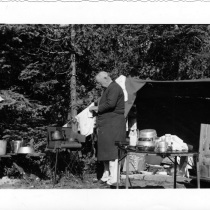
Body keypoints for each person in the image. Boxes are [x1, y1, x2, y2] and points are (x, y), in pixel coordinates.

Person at [89, 71, 126, 186]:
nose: (100, 85)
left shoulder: (114, 87)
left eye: (100, 83)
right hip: (106, 125)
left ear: (106, 78)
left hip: (113, 124)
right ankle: (106, 177)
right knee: (105, 152)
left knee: (112, 152)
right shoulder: (108, 88)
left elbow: (110, 104)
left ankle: (114, 179)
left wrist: (96, 108)